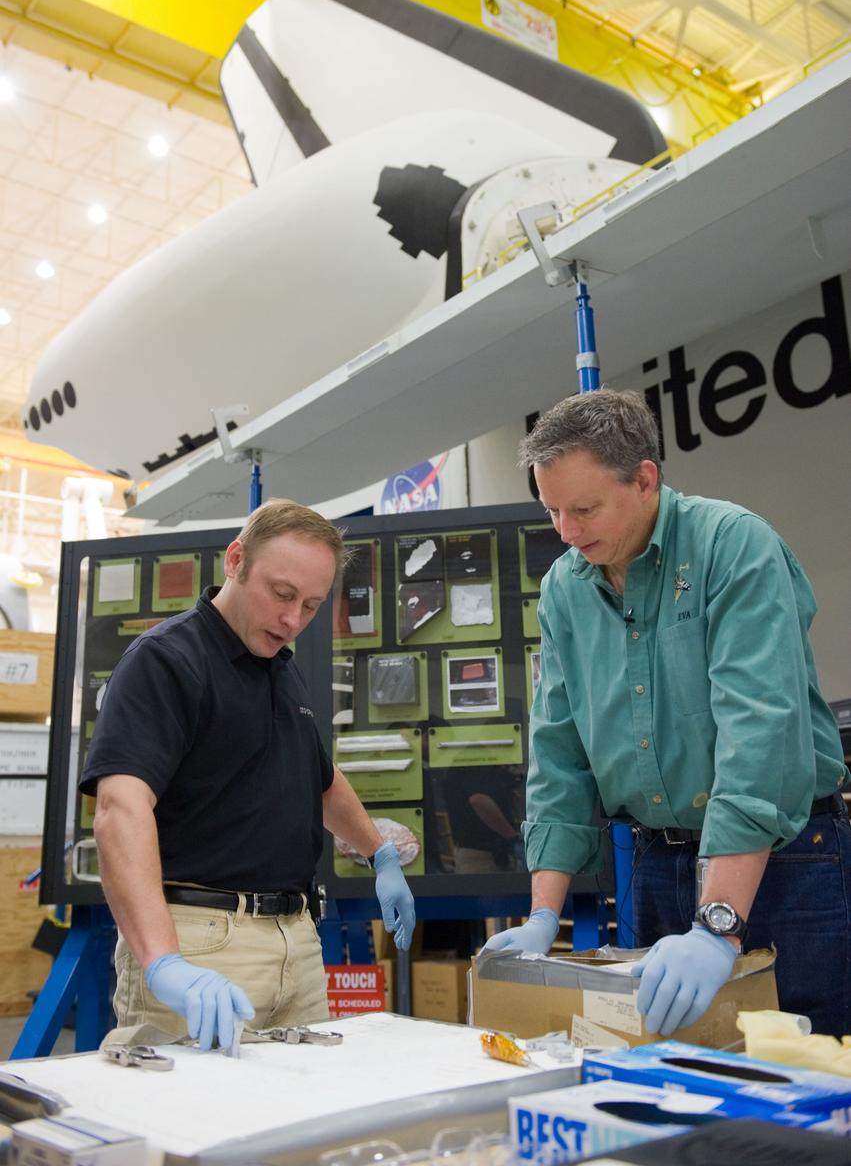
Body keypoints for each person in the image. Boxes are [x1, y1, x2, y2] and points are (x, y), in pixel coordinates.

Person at [483, 389, 850, 1038]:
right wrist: (543, 916)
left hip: (784, 862)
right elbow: (559, 750)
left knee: (803, 1076)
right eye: (552, 512)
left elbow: (758, 734)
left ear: (645, 479)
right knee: (671, 1077)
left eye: (583, 508)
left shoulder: (731, 547)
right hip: (659, 865)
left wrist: (717, 924)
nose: (566, 532)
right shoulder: (566, 588)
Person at [80, 499, 416, 1052]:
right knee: (190, 1125)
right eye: (282, 595)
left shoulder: (279, 668)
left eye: (311, 605)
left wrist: (378, 853)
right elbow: (120, 809)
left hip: (297, 941)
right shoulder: (166, 661)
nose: (293, 621)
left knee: (300, 1125)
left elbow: (321, 779)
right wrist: (164, 960)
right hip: (201, 944)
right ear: (236, 559)